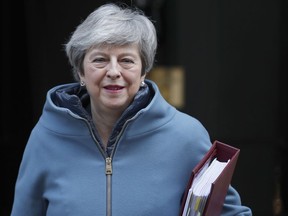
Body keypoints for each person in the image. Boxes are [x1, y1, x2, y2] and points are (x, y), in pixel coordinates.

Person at [11, 3, 252, 216]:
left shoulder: (185, 136)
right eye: (99, 60)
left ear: (143, 71)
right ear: (81, 72)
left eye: (126, 60)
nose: (114, 71)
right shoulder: (46, 137)